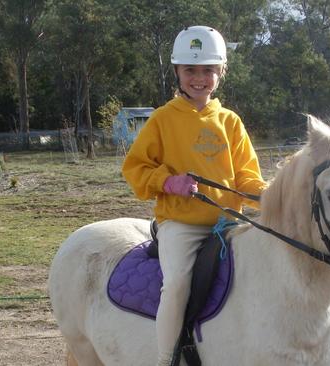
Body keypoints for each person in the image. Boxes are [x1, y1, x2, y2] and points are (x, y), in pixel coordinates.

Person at [122, 25, 267, 366]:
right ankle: (166, 357)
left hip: (230, 223)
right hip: (182, 225)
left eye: (207, 70)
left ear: (221, 72)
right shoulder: (161, 120)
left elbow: (246, 173)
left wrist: (264, 193)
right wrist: (167, 181)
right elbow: (135, 168)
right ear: (177, 72)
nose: (199, 78)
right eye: (190, 70)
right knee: (176, 284)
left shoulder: (231, 121)